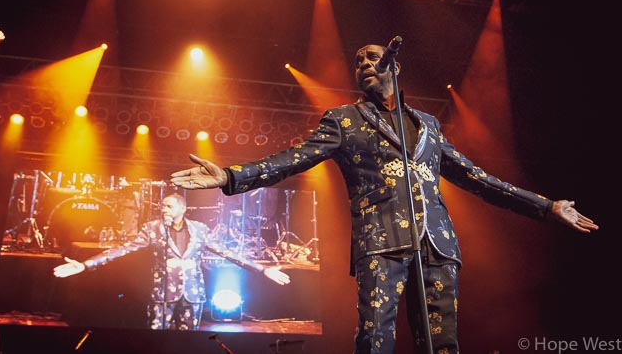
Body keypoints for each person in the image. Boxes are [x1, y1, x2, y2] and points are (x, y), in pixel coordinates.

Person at [169, 43, 599, 353]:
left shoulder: (428, 125)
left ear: (395, 65)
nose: (364, 65)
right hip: (381, 241)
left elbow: (478, 178)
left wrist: (546, 206)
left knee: (443, 341)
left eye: (372, 57)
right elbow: (292, 159)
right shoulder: (345, 121)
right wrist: (230, 176)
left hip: (438, 245)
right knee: (376, 337)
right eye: (357, 61)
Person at [53, 193, 290, 330]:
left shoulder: (199, 230)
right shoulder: (153, 229)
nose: (163, 209)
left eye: (168, 206)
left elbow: (229, 253)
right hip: (161, 294)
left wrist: (263, 269)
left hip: (193, 295)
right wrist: (85, 265)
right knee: (156, 338)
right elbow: (123, 250)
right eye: (162, 205)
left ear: (182, 209)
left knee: (188, 342)